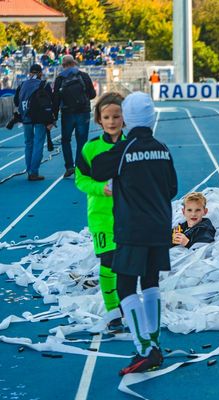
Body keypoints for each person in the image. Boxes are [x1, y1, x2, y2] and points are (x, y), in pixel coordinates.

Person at [91, 92, 178, 375]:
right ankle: (153, 341)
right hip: (160, 226)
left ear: (127, 119)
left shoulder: (124, 149)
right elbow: (173, 188)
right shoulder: (163, 148)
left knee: (126, 286)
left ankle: (145, 349)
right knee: (150, 281)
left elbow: (96, 169)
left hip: (132, 229)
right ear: (152, 118)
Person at [75, 92, 125, 329]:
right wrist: (100, 188)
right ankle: (113, 310)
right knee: (109, 261)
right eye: (106, 117)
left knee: (126, 264)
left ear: (125, 118)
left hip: (128, 216)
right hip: (101, 217)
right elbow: (80, 180)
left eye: (116, 116)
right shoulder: (91, 148)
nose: (112, 121)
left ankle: (126, 302)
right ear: (99, 120)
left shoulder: (132, 145)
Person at [52, 54, 97, 178]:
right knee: (82, 140)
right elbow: (92, 95)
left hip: (67, 113)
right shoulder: (84, 75)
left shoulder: (60, 78)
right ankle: (79, 167)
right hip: (83, 112)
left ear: (63, 65)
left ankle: (69, 167)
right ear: (74, 63)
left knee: (66, 140)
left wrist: (54, 116)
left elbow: (56, 99)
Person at [13, 64, 54, 181]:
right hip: (40, 118)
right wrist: (51, 119)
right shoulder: (44, 84)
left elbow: (16, 101)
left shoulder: (22, 85)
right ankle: (34, 172)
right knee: (38, 143)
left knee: (28, 144)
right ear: (40, 73)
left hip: (26, 118)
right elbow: (50, 101)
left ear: (30, 73)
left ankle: (29, 170)